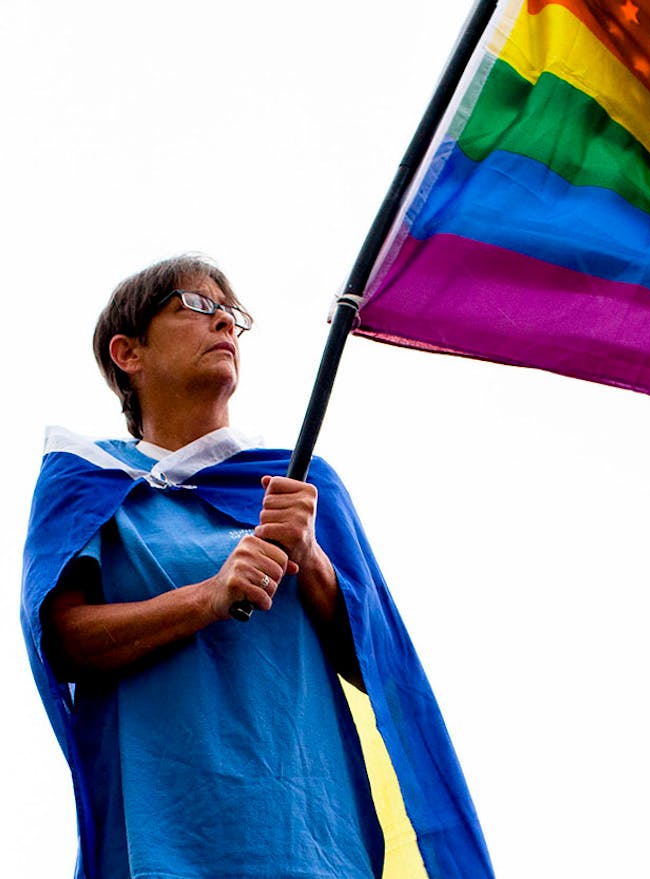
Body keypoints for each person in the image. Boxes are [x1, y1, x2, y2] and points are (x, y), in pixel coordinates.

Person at [21, 256, 494, 879]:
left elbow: (379, 662)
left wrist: (312, 558)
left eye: (231, 313)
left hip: (306, 838)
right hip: (155, 840)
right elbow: (61, 643)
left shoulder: (301, 485)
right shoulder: (87, 481)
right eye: (194, 305)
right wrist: (210, 596)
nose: (222, 321)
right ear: (127, 353)